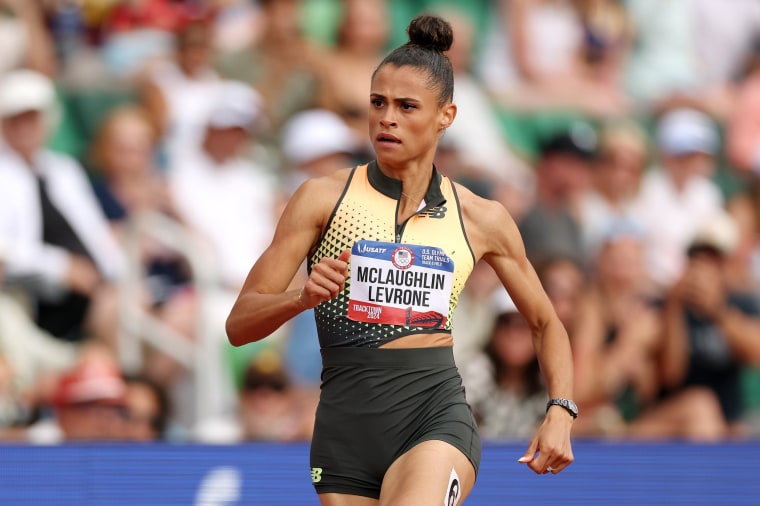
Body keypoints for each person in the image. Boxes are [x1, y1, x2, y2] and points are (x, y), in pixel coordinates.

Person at [226, 15, 575, 505]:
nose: (386, 118)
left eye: (407, 106)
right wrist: (299, 297)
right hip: (344, 430)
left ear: (446, 116)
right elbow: (239, 324)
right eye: (377, 103)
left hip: (433, 417)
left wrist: (560, 409)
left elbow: (545, 321)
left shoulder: (481, 218)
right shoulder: (321, 199)